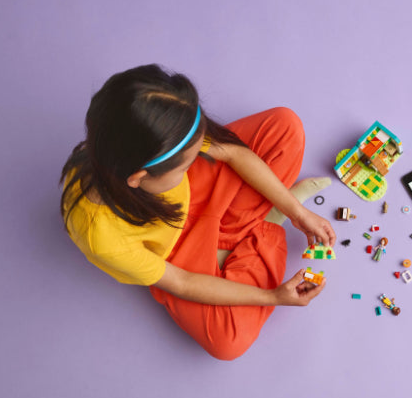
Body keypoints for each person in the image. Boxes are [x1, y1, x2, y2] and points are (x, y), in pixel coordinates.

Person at [60, 65, 337, 360]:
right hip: (177, 253)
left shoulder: (156, 127)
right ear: (139, 177)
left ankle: (235, 237)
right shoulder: (101, 237)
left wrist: (296, 212)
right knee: (228, 341)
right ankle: (261, 225)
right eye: (185, 165)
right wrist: (273, 296)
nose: (196, 160)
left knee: (284, 126)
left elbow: (231, 152)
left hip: (197, 195)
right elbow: (182, 282)